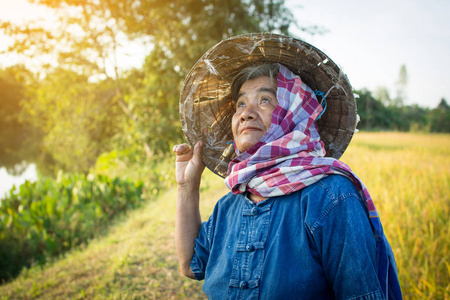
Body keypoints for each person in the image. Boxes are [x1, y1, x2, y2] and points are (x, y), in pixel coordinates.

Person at [174, 34, 402, 299]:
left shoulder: (331, 196)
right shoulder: (230, 205)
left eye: (265, 100)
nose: (246, 112)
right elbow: (190, 264)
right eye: (240, 103)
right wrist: (186, 186)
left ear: (294, 112)